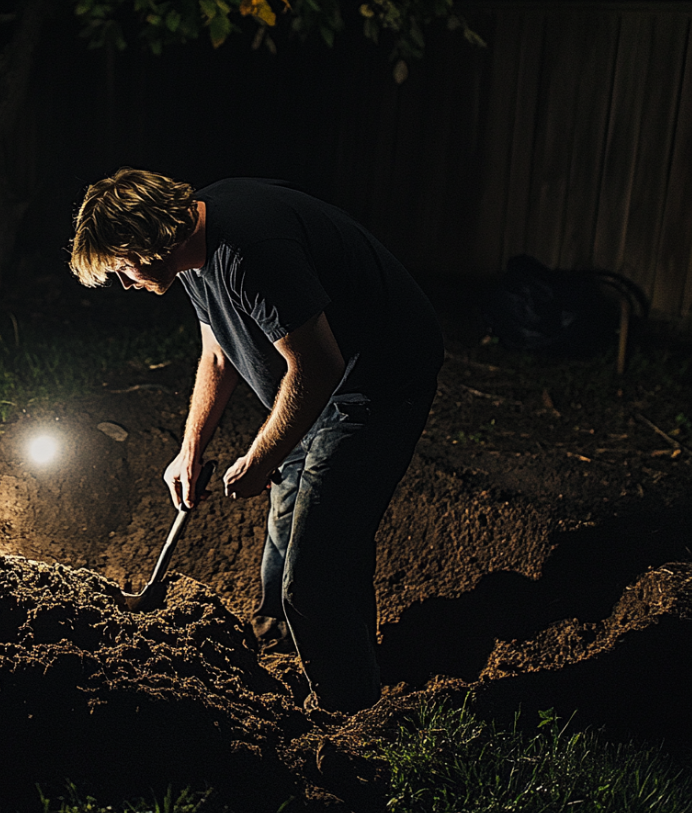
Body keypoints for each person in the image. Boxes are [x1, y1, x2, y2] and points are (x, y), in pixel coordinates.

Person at [68, 168, 443, 713]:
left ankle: (352, 713)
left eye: (123, 267)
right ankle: (283, 647)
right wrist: (190, 447)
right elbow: (217, 353)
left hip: (378, 381)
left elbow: (317, 367)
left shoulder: (250, 248)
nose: (126, 283)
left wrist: (261, 458)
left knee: (317, 569)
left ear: (150, 241)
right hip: (324, 383)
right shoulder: (188, 249)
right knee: (286, 543)